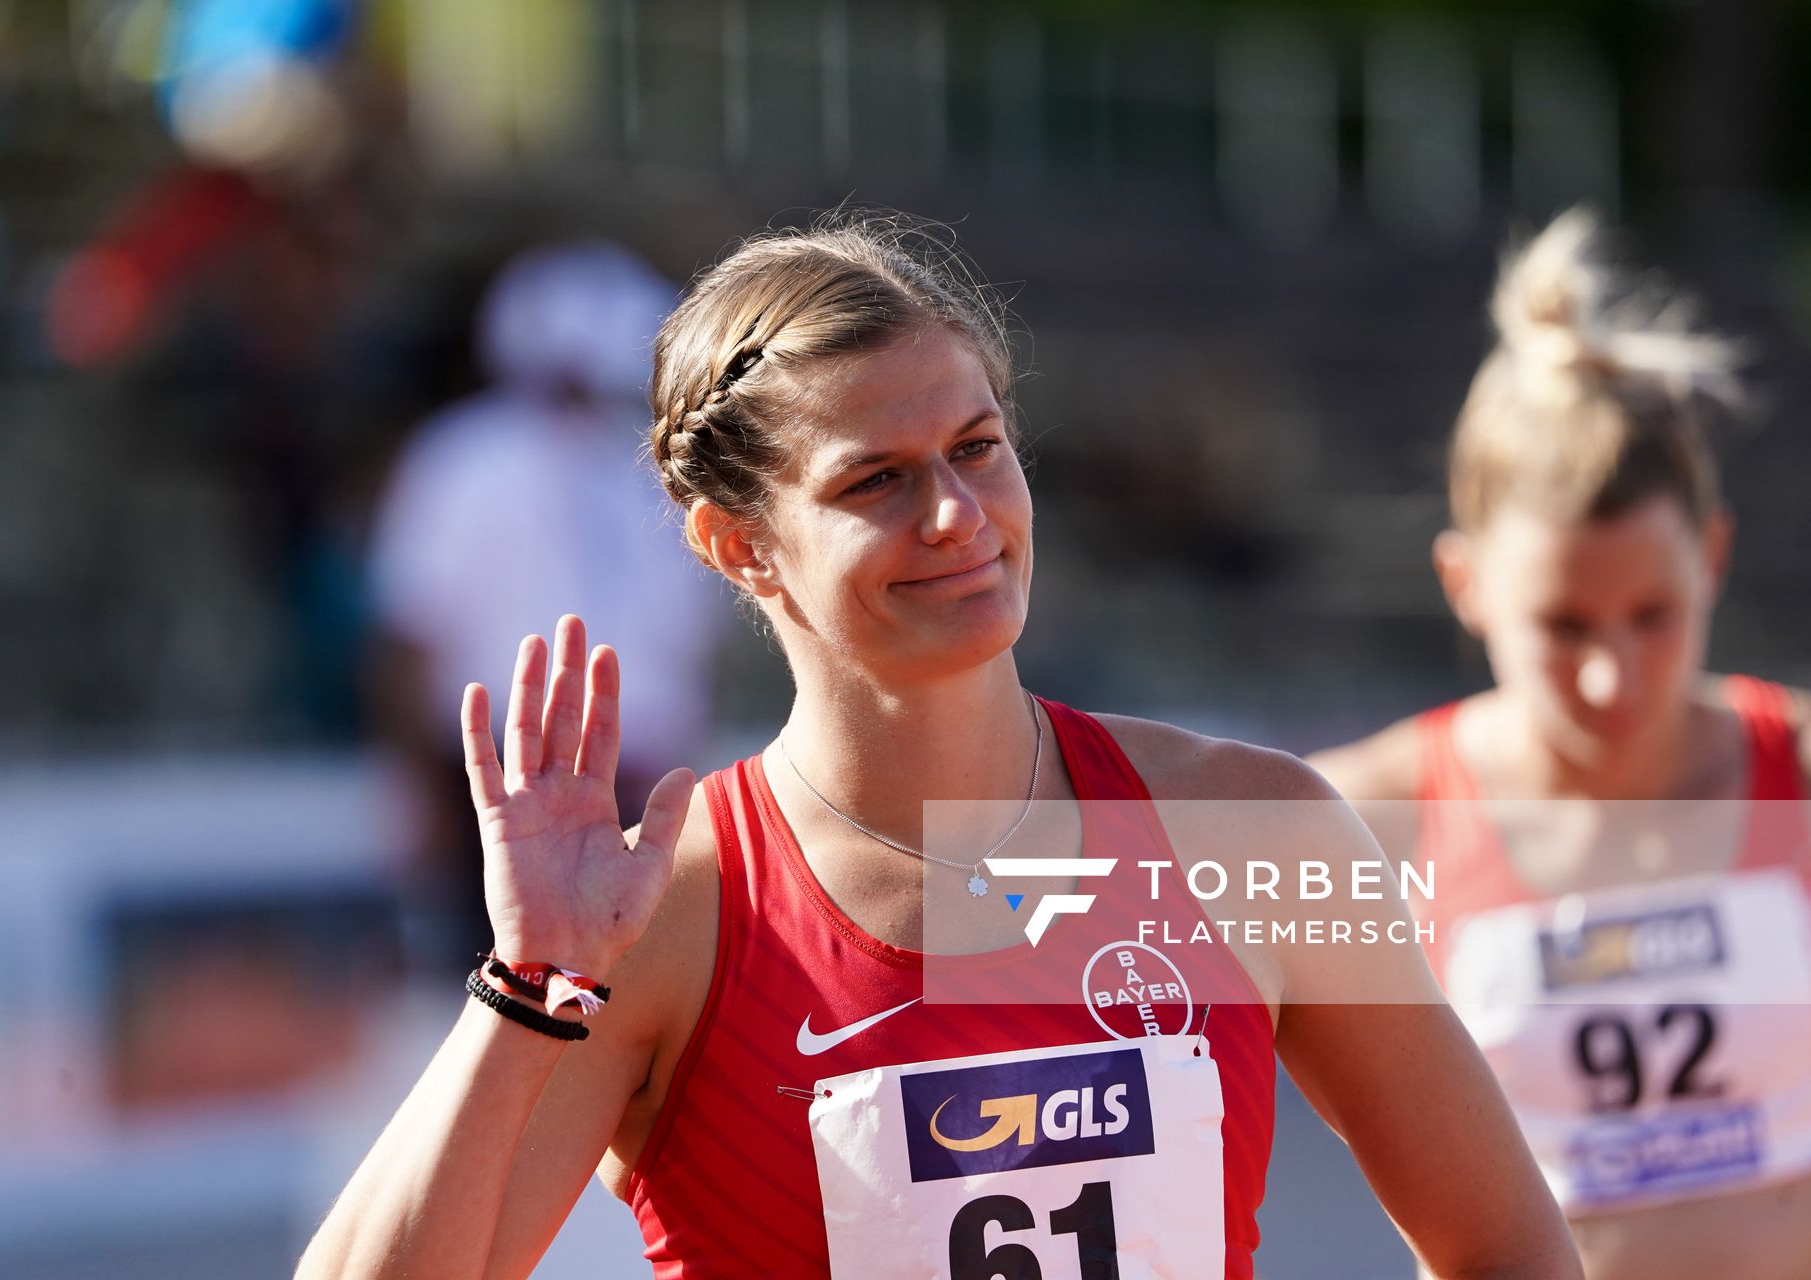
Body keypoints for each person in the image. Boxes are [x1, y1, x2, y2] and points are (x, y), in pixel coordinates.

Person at [298, 214, 1578, 1279]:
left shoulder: (1255, 825)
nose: (957, 515)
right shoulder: (674, 912)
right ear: (736, 544)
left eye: (977, 448)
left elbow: (1513, 1251)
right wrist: (532, 983)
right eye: (877, 481)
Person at [1309, 209, 1811, 1280]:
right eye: (1565, 625)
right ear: (1464, 583)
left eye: (1653, 614)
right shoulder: (1354, 824)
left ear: (1713, 556)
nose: (1613, 674)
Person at [365, 242, 723, 964]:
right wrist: (412, 786)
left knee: (631, 987)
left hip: (637, 774)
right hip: (501, 775)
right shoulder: (465, 459)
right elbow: (409, 634)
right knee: (507, 980)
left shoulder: (651, 471)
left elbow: (678, 645)